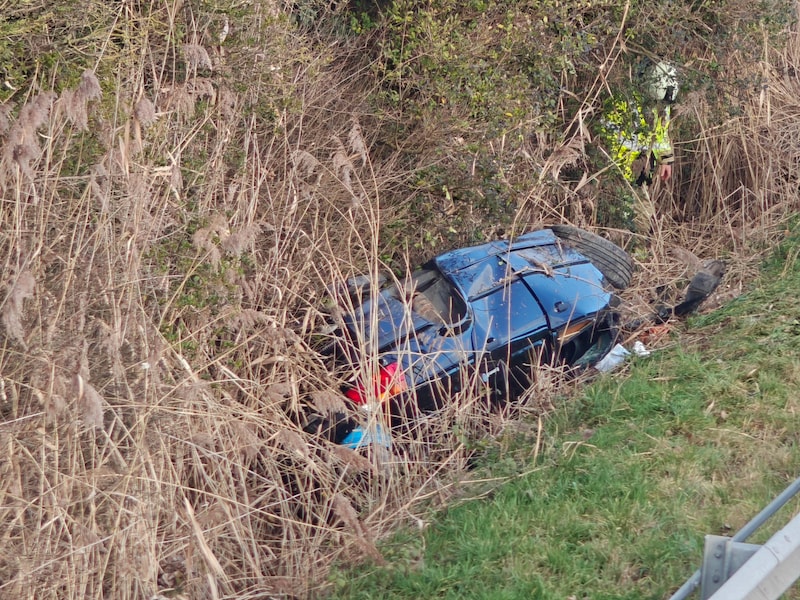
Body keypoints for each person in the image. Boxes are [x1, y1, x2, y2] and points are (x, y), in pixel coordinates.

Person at [598, 60, 679, 231]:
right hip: (618, 169)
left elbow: (661, 134)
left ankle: (640, 251)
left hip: (642, 168)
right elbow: (606, 135)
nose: (662, 106)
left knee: (643, 215)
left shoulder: (663, 102)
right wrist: (615, 168)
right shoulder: (623, 100)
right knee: (622, 216)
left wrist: (666, 159)